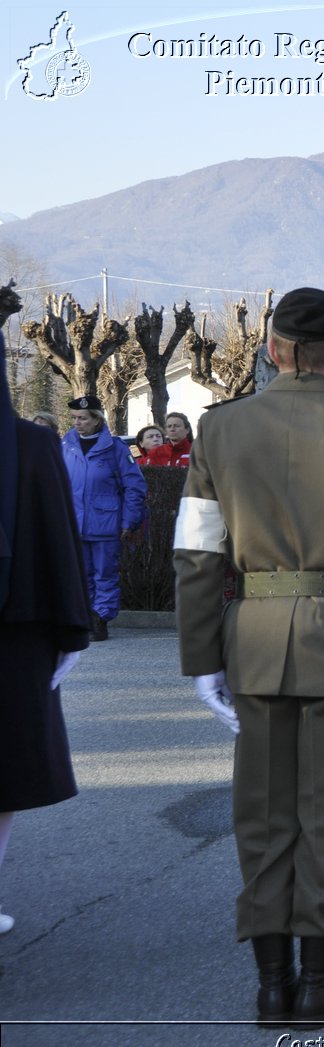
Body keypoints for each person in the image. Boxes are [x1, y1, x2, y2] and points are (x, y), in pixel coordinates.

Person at [173, 286, 324, 1027]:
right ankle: (319, 982)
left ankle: (270, 980)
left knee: (262, 813)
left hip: (251, 640)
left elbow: (194, 554)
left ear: (274, 350)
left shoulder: (220, 430)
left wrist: (201, 658)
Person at [0, 331, 93, 937]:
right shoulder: (31, 445)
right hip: (15, 633)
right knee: (2, 773)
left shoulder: (34, 443)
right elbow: (58, 542)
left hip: (16, 636)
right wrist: (71, 631)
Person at [61, 396, 148, 641]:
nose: (78, 423)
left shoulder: (116, 449)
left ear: (97, 420)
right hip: (74, 524)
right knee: (81, 574)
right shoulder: (66, 445)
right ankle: (85, 616)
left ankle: (101, 618)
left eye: (83, 418)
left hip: (105, 524)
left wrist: (129, 521)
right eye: (75, 418)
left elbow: (134, 486)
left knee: (105, 574)